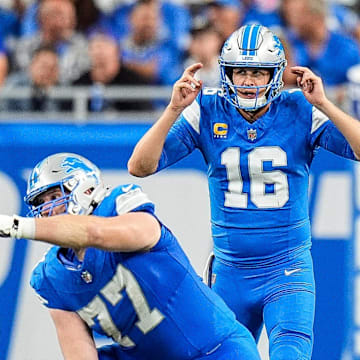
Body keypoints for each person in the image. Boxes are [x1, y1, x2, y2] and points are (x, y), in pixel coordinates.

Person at [127, 24, 360, 360]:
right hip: (231, 271)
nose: (248, 81)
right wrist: (173, 109)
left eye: (257, 73)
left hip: (287, 270)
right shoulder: (206, 109)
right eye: (241, 72)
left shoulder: (301, 108)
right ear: (227, 73)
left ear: (275, 76)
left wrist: (325, 104)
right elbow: (140, 166)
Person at [0, 152, 261, 360]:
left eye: (55, 196)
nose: (47, 210)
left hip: (214, 349)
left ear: (86, 189)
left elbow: (100, 235)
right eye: (39, 203)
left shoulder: (120, 208)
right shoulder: (51, 276)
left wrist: (18, 227)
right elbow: (79, 351)